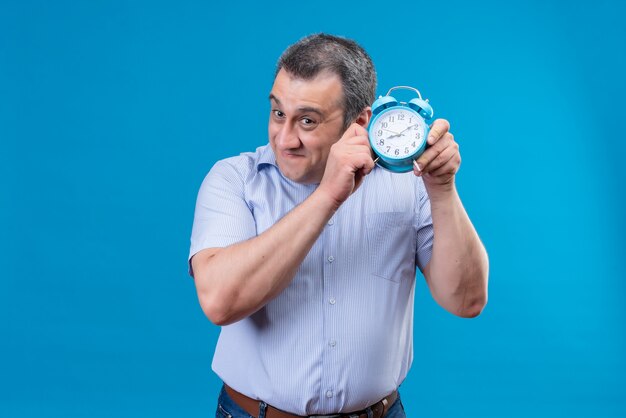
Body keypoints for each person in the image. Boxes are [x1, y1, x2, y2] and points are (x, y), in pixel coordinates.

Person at [188, 33, 489, 418]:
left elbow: (466, 301)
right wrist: (328, 197)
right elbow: (220, 302)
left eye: (307, 121)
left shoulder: (410, 187)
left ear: (360, 121)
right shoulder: (233, 179)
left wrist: (442, 189)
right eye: (278, 113)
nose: (285, 138)